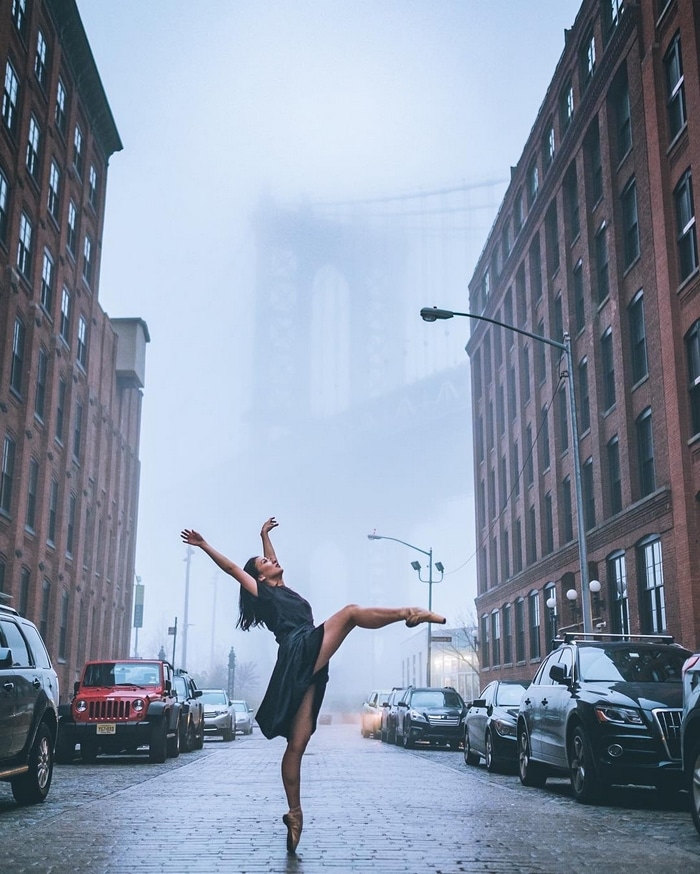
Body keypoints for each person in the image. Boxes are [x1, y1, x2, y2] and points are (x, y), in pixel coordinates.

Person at [180, 517, 446, 854]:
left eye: (270, 558)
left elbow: (271, 564)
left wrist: (264, 536)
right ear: (259, 577)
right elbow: (234, 568)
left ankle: (294, 813)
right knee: (349, 613)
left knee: (298, 743)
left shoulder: (282, 589)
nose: (273, 561)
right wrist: (204, 546)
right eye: (265, 562)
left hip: (306, 658)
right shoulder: (261, 591)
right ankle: (409, 612)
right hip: (299, 649)